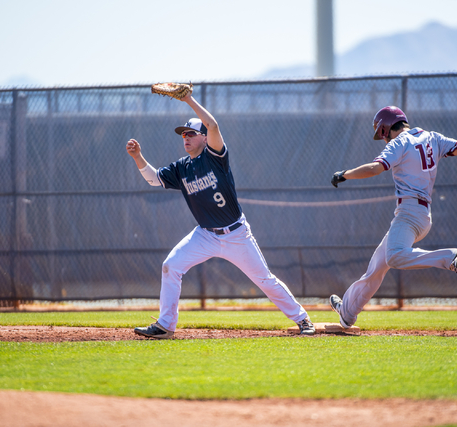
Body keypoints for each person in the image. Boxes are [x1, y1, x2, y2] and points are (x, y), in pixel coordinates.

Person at [126, 93, 315, 338]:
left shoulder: (215, 157)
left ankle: (302, 319)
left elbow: (213, 125)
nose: (186, 137)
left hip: (236, 233)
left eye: (191, 133)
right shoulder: (181, 167)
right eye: (184, 134)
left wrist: (189, 100)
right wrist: (137, 157)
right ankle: (165, 325)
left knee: (265, 280)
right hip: (205, 234)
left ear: (204, 137)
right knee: (170, 266)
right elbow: (154, 179)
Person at [328, 106, 457, 328]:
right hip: (423, 215)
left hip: (408, 214)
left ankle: (449, 258)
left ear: (385, 129)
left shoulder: (400, 142)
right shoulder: (432, 137)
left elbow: (376, 168)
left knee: (394, 256)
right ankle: (347, 313)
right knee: (377, 266)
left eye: (381, 134)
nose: (382, 140)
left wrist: (344, 174)